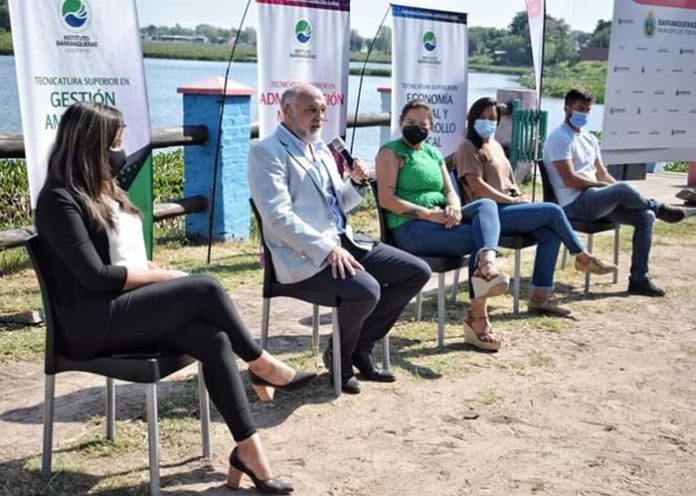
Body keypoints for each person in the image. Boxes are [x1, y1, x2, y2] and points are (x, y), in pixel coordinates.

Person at [35, 102, 315, 495]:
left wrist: (159, 272)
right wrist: (169, 277)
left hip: (126, 310)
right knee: (206, 287)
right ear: (90, 145)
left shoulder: (106, 190)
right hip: (91, 324)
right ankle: (261, 363)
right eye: (114, 143)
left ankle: (249, 453)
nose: (120, 151)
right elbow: (95, 277)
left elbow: (127, 258)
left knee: (213, 339)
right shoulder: (58, 200)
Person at [247, 84, 431, 394]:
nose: (320, 116)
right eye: (311, 110)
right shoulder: (266, 152)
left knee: (416, 272)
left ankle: (360, 346)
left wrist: (356, 184)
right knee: (366, 290)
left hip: (345, 241)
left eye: (322, 110)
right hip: (303, 255)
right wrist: (326, 249)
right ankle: (340, 359)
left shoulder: (321, 149)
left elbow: (338, 204)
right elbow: (277, 217)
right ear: (286, 111)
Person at [456, 97, 617, 317]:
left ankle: (539, 298)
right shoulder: (467, 147)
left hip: (509, 208)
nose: (488, 122)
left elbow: (508, 182)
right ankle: (582, 257)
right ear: (472, 118)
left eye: (492, 118)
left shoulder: (494, 145)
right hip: (489, 214)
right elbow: (477, 186)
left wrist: (518, 197)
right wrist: (509, 201)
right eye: (482, 117)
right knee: (553, 211)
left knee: (550, 234)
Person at [375, 99, 510, 352]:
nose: (416, 128)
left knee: (487, 206)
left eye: (422, 125)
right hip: (410, 227)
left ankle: (486, 264)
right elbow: (387, 199)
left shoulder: (433, 153)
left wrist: (454, 207)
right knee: (478, 237)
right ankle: (477, 318)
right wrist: (428, 214)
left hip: (441, 221)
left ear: (431, 128)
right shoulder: (391, 152)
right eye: (411, 122)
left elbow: (450, 191)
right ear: (400, 123)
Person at [543, 88, 686, 297]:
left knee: (645, 216)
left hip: (595, 200)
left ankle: (639, 279)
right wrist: (610, 189)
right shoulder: (559, 137)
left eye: (587, 110)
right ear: (567, 108)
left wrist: (614, 190)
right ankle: (658, 207)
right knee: (624, 189)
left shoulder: (589, 138)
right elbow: (569, 180)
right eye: (580, 109)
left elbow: (603, 174)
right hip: (573, 204)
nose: (584, 114)